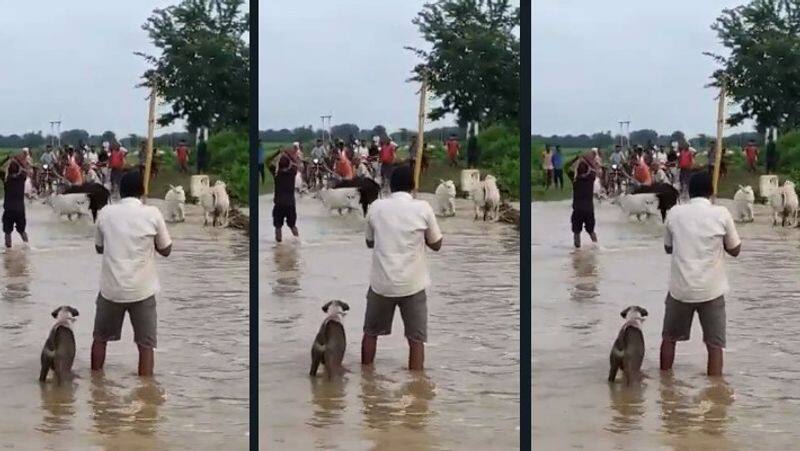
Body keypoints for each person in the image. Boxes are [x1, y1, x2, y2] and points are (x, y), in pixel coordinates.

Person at [91, 171, 172, 377]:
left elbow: (99, 248)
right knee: (146, 346)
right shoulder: (152, 213)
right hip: (142, 291)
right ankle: (146, 395)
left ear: (119, 191)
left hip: (111, 290)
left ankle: (95, 387)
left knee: (100, 339)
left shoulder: (105, 213)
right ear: (143, 191)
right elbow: (166, 250)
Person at [362, 165, 442, 371]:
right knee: (416, 340)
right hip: (412, 285)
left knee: (370, 333)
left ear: (389, 185)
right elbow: (437, 244)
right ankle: (417, 391)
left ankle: (366, 382)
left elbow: (369, 242)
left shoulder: (376, 207)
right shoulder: (423, 208)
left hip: (382, 284)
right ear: (413, 185)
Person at [661, 171, 740, 377]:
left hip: (680, 290)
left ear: (688, 191)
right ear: (712, 192)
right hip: (711, 291)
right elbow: (735, 250)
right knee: (715, 345)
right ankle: (715, 396)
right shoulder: (721, 214)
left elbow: (668, 248)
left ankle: (665, 389)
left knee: (669, 339)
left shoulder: (674, 213)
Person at [569, 151, 599, 248]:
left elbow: (566, 167)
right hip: (589, 210)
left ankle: (577, 251)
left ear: (577, 170)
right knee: (591, 232)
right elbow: (595, 169)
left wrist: (576, 158)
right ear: (587, 170)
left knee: (576, 233)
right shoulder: (590, 178)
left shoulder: (575, 180)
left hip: (577, 210)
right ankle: (596, 248)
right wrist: (586, 159)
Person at [271, 145, 301, 242]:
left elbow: (267, 161)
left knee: (278, 227)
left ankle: (278, 247)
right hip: (290, 204)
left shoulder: (276, 174)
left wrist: (277, 152)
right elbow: (297, 164)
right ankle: (297, 243)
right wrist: (288, 153)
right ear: (289, 164)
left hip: (279, 204)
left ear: (279, 164)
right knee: (292, 226)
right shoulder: (292, 173)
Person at [3, 151, 30, 248]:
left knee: (7, 233)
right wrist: (18, 160)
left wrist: (7, 158)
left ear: (8, 170)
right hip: (20, 210)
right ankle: (28, 248)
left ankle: (8, 253)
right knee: (22, 231)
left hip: (9, 209)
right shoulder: (22, 177)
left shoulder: (6, 179)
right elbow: (26, 168)